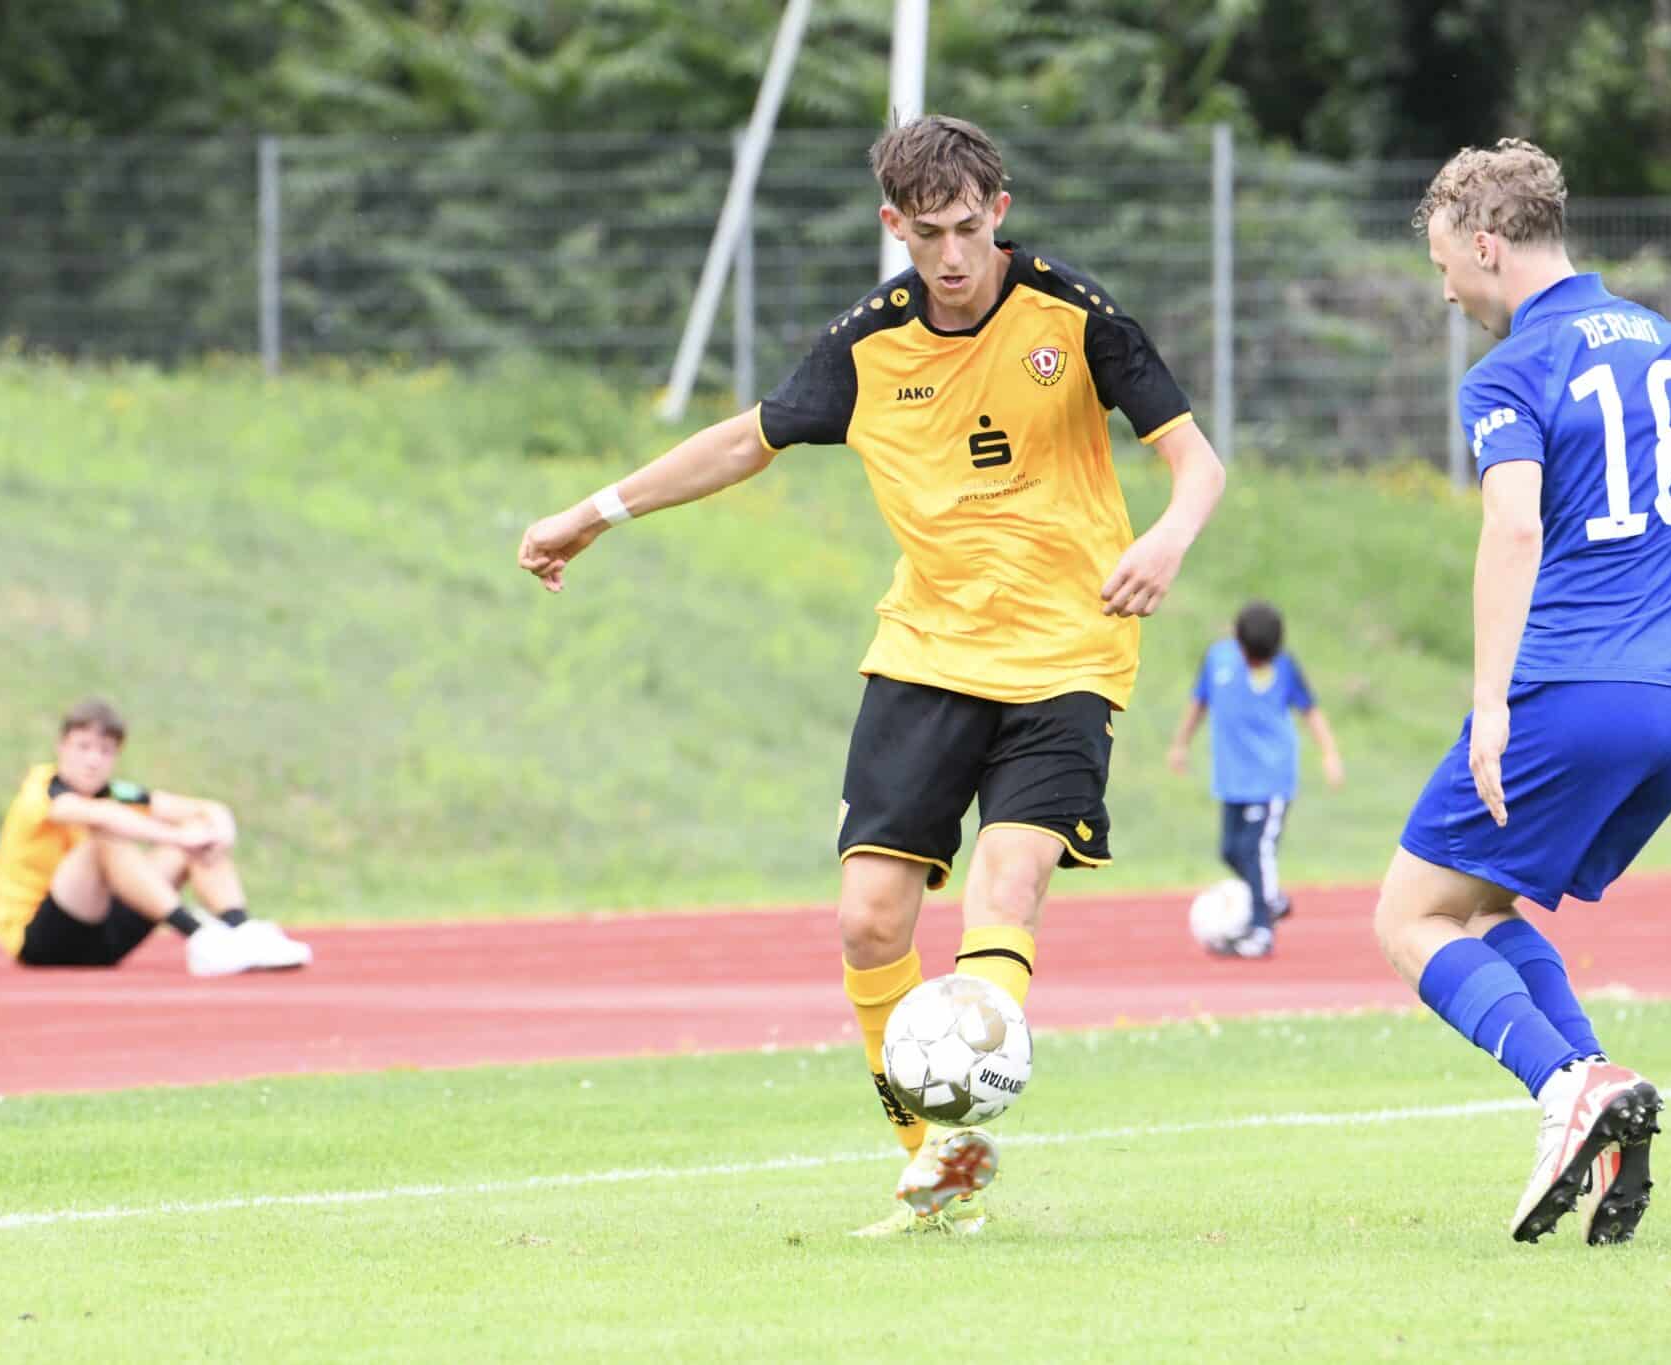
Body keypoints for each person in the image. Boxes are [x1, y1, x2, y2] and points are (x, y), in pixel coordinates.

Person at [518, 114, 1226, 1236]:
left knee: (1006, 889)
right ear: (891, 225)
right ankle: (935, 1163)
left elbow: (1193, 457)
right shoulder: (865, 346)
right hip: (925, 655)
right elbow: (744, 440)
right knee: (866, 921)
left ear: (998, 209)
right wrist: (594, 514)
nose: (950, 258)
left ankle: (968, 1111)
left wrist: (1170, 537)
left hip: (1065, 655)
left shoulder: (1073, 317)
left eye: (966, 228)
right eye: (925, 235)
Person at [1385, 139, 1671, 1246]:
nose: (1445, 291)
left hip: (1569, 692)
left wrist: (1489, 703)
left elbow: (1514, 525)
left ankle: (1561, 1084)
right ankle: (1603, 1101)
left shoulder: (1509, 372)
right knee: (1484, 906)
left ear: (1485, 244)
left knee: (1409, 915)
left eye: (1445, 265)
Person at [0, 699, 314, 975]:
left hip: (103, 939)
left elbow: (193, 808)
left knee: (194, 834)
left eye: (105, 751)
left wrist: (218, 822)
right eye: (83, 747)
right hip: (40, 940)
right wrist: (178, 836)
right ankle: (201, 937)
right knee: (105, 840)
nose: (93, 760)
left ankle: (240, 930)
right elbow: (104, 817)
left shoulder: (113, 792)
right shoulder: (42, 788)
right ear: (62, 746)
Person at [1166, 600, 1344, 957]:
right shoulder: (1217, 659)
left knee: (1256, 849)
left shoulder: (1285, 667)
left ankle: (1262, 930)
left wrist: (1329, 753)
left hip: (1272, 778)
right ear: (1236, 640)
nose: (1257, 664)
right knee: (1230, 851)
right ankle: (1271, 897)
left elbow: (1310, 710)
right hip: (1233, 778)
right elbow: (1198, 703)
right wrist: (1180, 745)